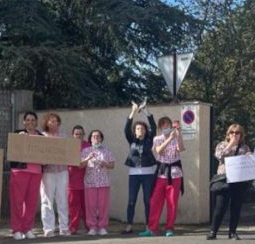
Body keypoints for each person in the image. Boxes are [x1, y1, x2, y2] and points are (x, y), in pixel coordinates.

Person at [139, 116, 185, 237]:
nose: (166, 127)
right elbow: (158, 150)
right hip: (161, 173)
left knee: (172, 202)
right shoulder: (157, 139)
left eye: (168, 125)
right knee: (155, 201)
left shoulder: (176, 137)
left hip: (175, 174)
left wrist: (178, 134)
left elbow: (181, 149)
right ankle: (152, 228)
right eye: (163, 126)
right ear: (160, 127)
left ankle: (169, 228)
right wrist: (169, 139)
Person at [207, 124, 251, 240]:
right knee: (220, 206)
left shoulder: (245, 147)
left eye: (237, 133)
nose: (234, 135)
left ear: (241, 135)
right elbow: (219, 156)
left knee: (236, 207)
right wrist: (231, 144)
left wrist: (249, 157)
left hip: (238, 180)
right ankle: (213, 231)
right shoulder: (222, 145)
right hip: (224, 179)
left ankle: (232, 232)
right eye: (232, 132)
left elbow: (249, 163)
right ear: (228, 134)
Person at [122, 100, 157, 234]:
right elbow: (126, 128)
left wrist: (146, 111)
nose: (140, 130)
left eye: (142, 128)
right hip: (134, 174)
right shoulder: (131, 140)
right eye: (137, 129)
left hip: (148, 174)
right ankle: (129, 225)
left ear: (145, 131)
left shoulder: (149, 140)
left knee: (147, 201)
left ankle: (149, 225)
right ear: (135, 132)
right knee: (131, 200)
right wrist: (133, 111)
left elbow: (153, 127)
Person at [9, 111, 43, 240]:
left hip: (36, 172)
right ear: (24, 122)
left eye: (33, 120)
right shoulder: (17, 134)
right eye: (27, 120)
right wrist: (19, 139)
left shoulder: (41, 136)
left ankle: (27, 228)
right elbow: (11, 151)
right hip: (20, 171)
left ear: (36, 122)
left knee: (31, 203)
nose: (30, 122)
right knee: (17, 201)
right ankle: (16, 229)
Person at [39, 113, 70, 237]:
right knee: (47, 200)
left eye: (56, 121)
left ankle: (64, 227)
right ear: (46, 123)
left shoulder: (63, 136)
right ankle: (48, 228)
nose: (54, 123)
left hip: (62, 170)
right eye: (51, 121)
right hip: (47, 172)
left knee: (62, 199)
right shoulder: (42, 136)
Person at [79, 130, 115, 235]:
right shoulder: (85, 151)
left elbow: (112, 165)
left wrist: (106, 164)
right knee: (90, 206)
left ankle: (102, 226)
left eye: (98, 136)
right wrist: (88, 158)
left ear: (101, 138)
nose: (96, 138)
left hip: (104, 182)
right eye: (93, 136)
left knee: (103, 205)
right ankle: (92, 227)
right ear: (90, 139)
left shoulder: (106, 151)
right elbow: (80, 165)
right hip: (90, 182)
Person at [68, 125, 91, 235]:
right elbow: (77, 164)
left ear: (84, 135)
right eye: (76, 134)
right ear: (73, 135)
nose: (78, 136)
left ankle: (89, 226)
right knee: (74, 207)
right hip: (72, 182)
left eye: (81, 134)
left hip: (87, 182)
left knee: (87, 206)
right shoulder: (69, 146)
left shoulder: (88, 146)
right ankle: (73, 227)